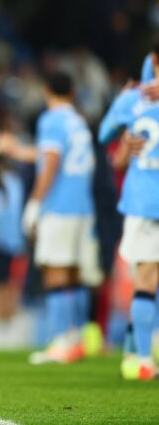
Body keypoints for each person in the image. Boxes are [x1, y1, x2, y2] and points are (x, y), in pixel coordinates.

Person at [23, 73, 99, 365]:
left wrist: (35, 203)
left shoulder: (51, 119)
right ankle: (75, 339)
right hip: (83, 207)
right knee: (74, 272)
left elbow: (51, 162)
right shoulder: (78, 121)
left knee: (55, 271)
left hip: (59, 206)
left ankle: (59, 341)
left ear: (46, 90)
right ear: (73, 92)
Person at [100, 45, 159, 380]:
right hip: (144, 199)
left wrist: (122, 105)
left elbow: (106, 139)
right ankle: (138, 350)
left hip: (143, 200)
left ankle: (140, 356)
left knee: (145, 279)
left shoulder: (133, 100)